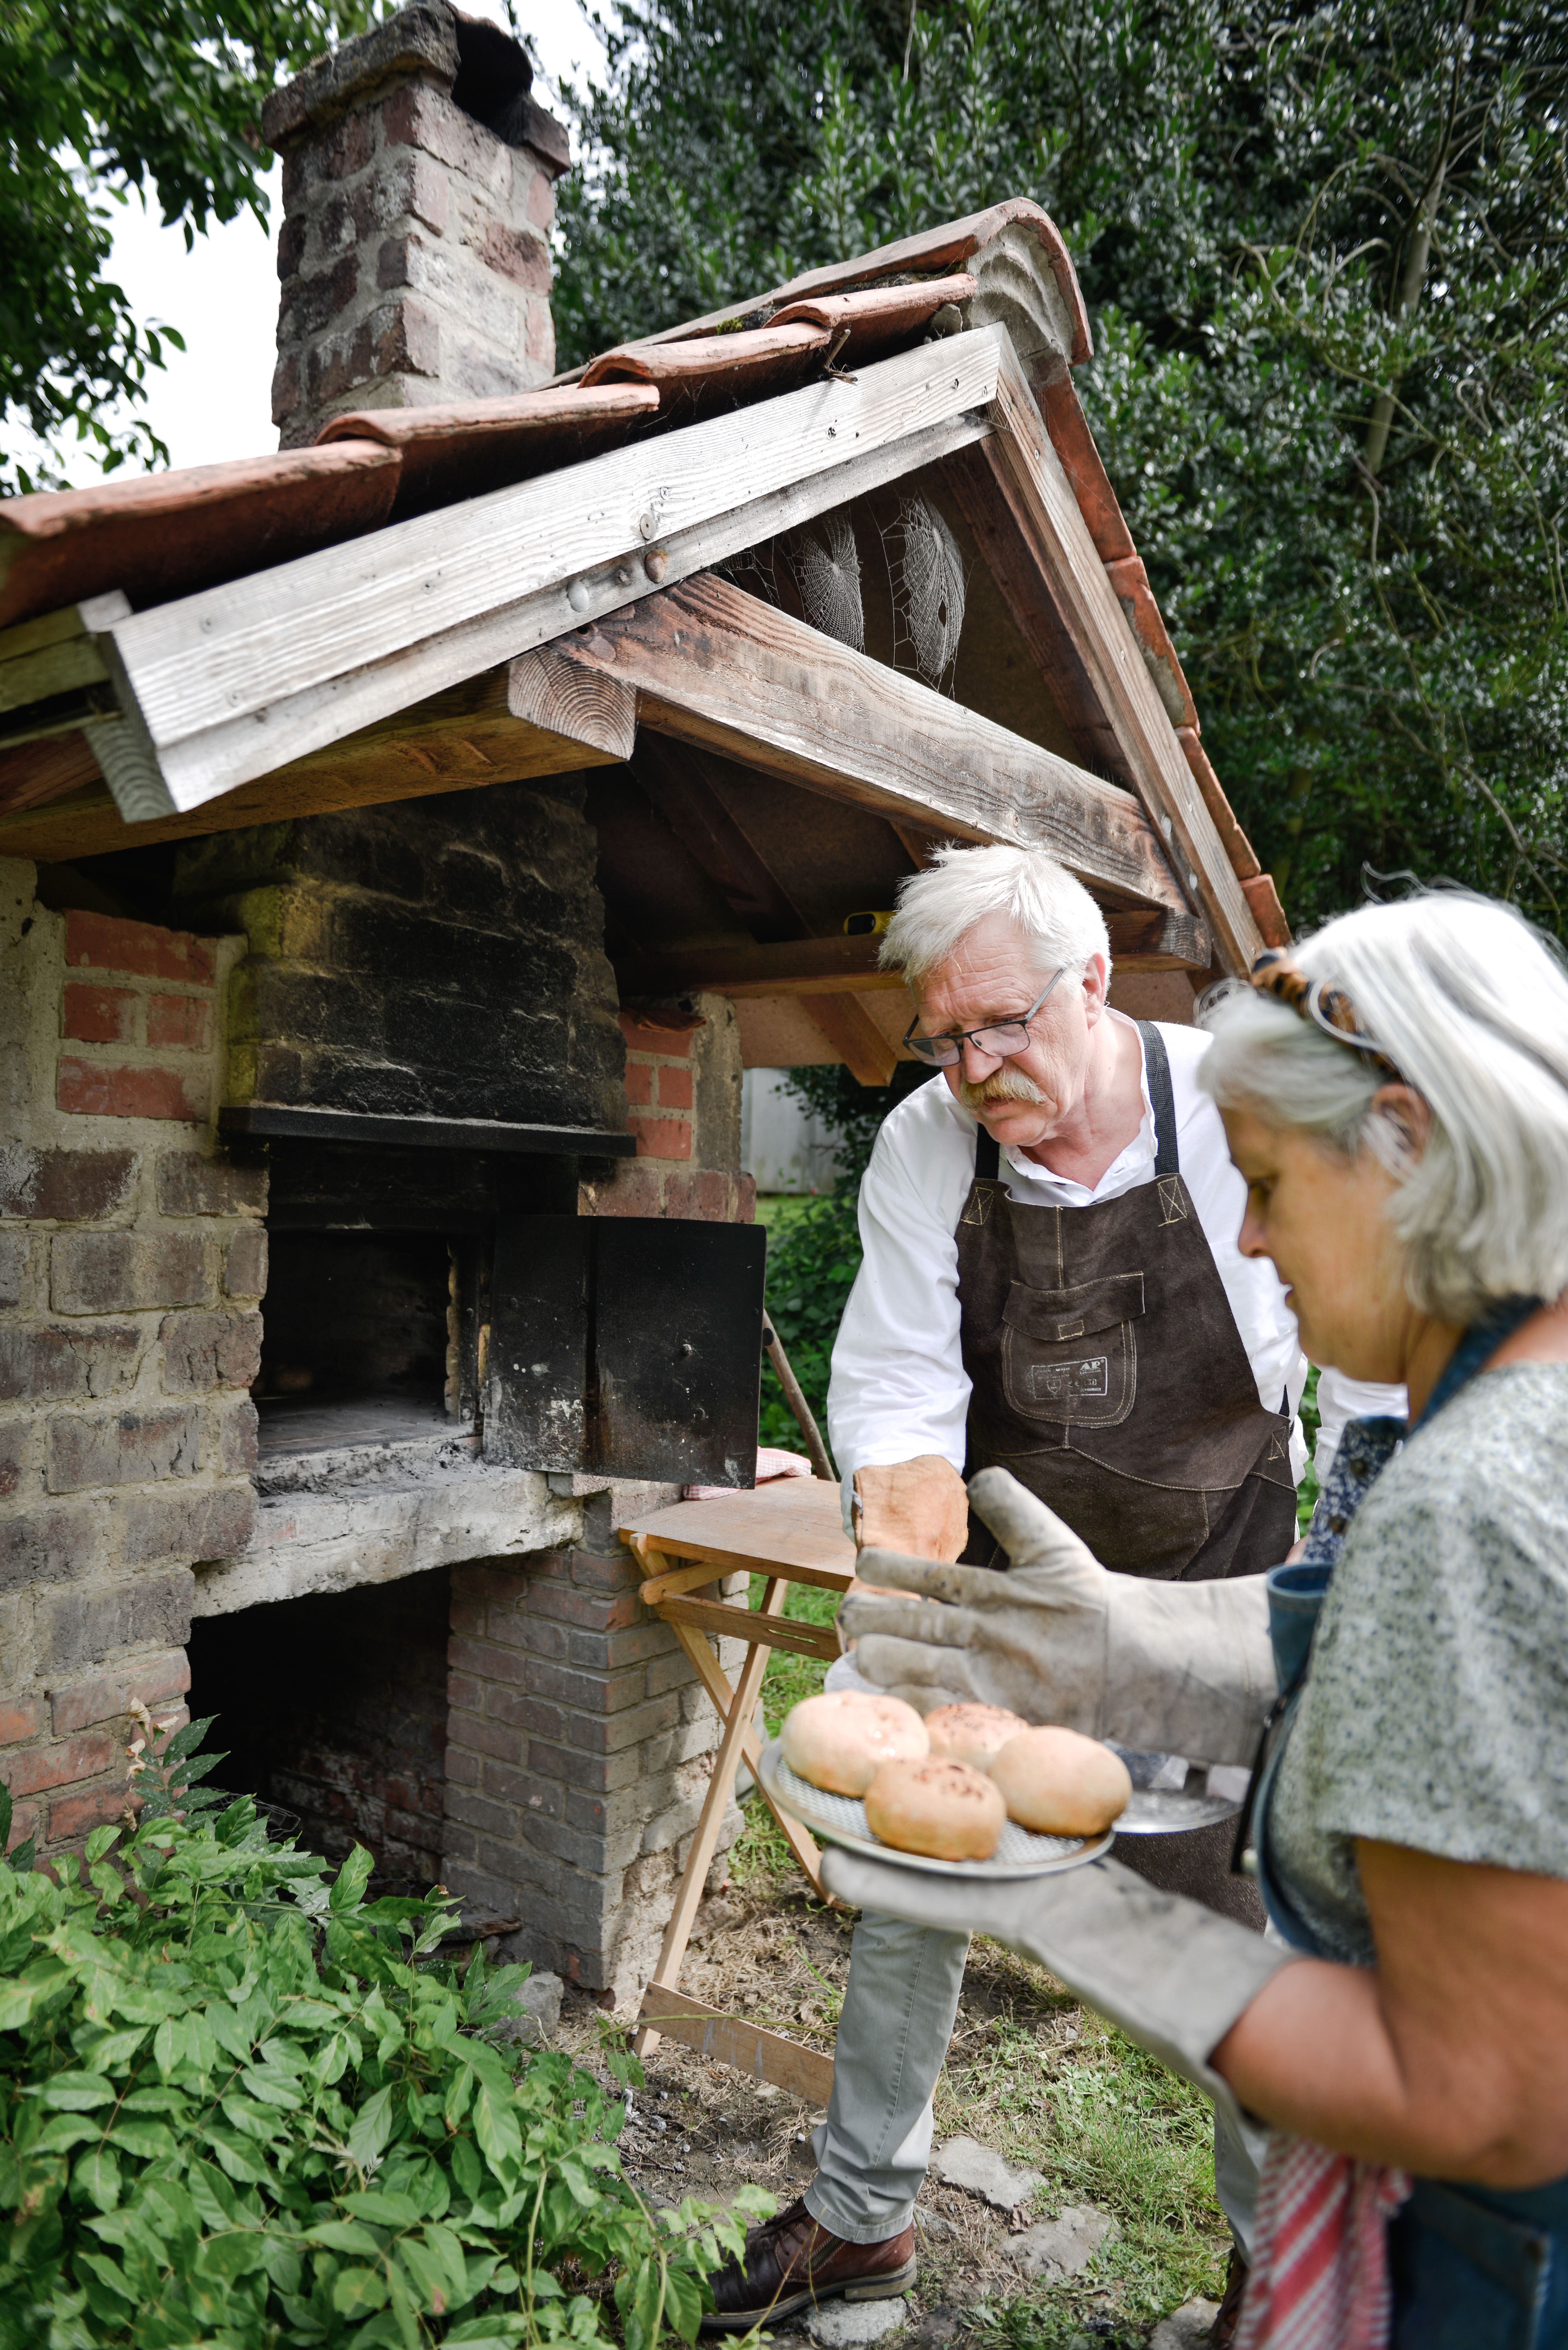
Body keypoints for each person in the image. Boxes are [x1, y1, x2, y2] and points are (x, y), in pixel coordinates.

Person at [821, 891, 1568, 2346]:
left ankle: (1254, 2286)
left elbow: (1482, 2098)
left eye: (1272, 1185)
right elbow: (1392, 1643)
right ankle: (858, 2217)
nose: (1244, 1227)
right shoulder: (1526, 1400)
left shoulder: (1469, 1495)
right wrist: (1131, 1649)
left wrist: (1059, 1903)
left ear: (1406, 1145)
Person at [703, 845, 1399, 2336]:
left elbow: (1354, 1368)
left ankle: (1266, 2282)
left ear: (1094, 979)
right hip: (1011, 1597)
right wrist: (899, 1629)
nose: (974, 1066)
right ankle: (860, 2216)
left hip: (1218, 1591)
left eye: (1003, 1023)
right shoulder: (927, 1148)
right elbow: (897, 1400)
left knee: (1254, 1948)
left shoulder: (1233, 1111)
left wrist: (1333, 1608)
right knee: (909, 1894)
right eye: (946, 1037)